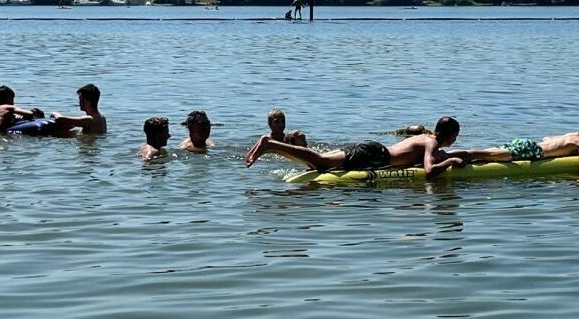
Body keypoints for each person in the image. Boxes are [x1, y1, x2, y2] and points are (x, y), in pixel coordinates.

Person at [245, 116, 466, 179]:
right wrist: (450, 161)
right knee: (321, 163)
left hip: (371, 149)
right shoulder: (431, 142)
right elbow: (429, 171)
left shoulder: (426, 137)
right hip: (375, 155)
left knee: (319, 161)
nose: (454, 142)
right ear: (450, 135)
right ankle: (271, 145)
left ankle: (272, 146)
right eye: (455, 137)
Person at [453, 131, 579, 162]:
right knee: (484, 155)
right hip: (531, 150)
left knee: (486, 153)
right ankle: (444, 155)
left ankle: (445, 155)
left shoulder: (571, 135)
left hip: (527, 143)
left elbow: (546, 138)